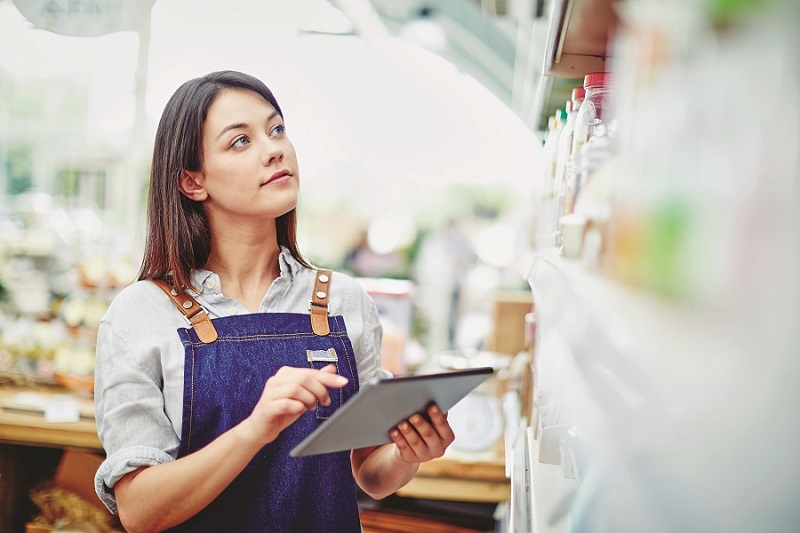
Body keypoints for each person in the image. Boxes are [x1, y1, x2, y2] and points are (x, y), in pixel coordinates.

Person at [93, 70, 455, 532]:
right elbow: (141, 512)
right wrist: (254, 431)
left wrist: (409, 452)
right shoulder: (139, 315)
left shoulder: (344, 302)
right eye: (240, 141)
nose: (274, 149)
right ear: (192, 181)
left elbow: (371, 473)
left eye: (276, 129)